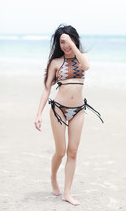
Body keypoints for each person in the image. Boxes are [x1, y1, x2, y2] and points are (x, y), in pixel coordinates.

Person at [34, 24, 103, 206]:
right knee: (61, 151)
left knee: (73, 152)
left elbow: (86, 66)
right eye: (62, 42)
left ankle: (67, 193)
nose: (65, 45)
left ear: (75, 40)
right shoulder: (56, 62)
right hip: (59, 110)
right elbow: (47, 88)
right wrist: (38, 114)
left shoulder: (82, 58)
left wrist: (73, 47)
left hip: (78, 110)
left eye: (68, 41)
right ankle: (53, 177)